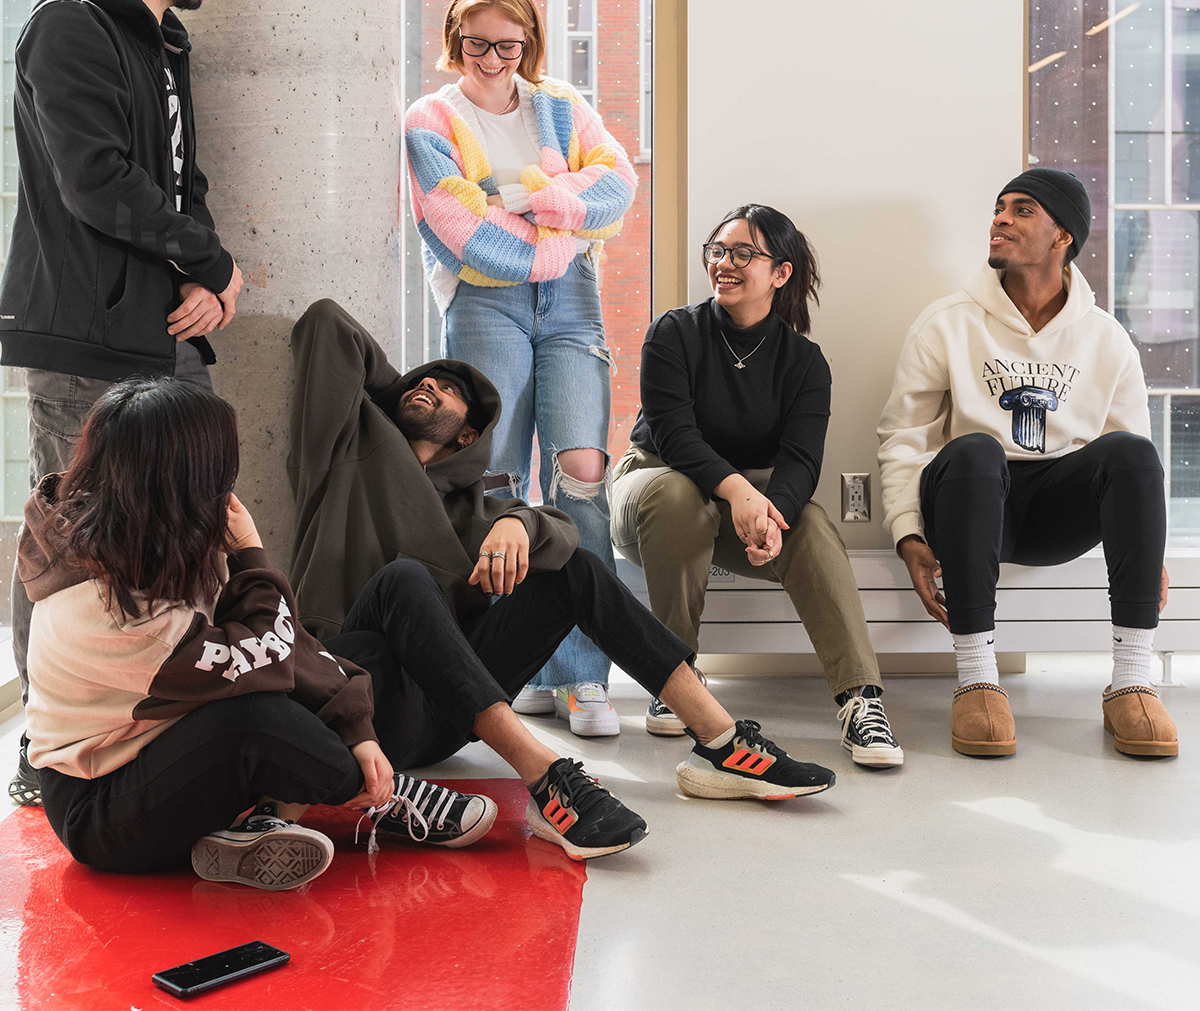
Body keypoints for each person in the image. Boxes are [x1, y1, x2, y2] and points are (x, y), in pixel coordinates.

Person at [288, 298, 838, 862]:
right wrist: (406, 388)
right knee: (404, 579)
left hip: (444, 716)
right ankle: (548, 779)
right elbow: (326, 322)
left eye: (448, 390)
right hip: (354, 691)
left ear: (467, 437)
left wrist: (517, 519)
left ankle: (721, 741)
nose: (429, 385)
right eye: (422, 381)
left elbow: (564, 535)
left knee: (572, 568)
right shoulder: (342, 453)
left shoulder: (477, 511)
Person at [23, 377, 498, 892]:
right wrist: (251, 553)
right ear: (178, 477)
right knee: (257, 718)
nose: (228, 482)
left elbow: (282, 645)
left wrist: (356, 725)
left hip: (167, 740)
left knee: (362, 656)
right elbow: (267, 655)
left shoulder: (142, 529)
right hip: (103, 809)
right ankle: (381, 792)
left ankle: (261, 824)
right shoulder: (107, 610)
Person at [0, 0, 246, 806]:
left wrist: (203, 273)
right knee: (68, 538)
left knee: (192, 515)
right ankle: (45, 743)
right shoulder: (71, 24)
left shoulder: (162, 38)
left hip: (164, 327)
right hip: (86, 333)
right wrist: (208, 259)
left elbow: (182, 176)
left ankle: (167, 718)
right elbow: (94, 180)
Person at [404, 0, 637, 737]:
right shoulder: (430, 120)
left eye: (509, 45)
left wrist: (538, 200)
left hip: (572, 301)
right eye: (478, 44)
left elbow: (618, 185)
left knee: (581, 472)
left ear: (530, 40)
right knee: (495, 475)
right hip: (484, 302)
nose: (495, 60)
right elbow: (454, 222)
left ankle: (581, 675)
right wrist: (558, 227)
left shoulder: (562, 107)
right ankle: (514, 659)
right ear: (455, 40)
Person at [877, 167, 1177, 758]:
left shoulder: (1106, 338)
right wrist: (908, 531)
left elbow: (1130, 456)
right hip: (969, 497)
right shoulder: (948, 322)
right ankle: (977, 679)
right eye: (998, 208)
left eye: (1021, 211)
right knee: (975, 449)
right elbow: (904, 436)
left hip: (1053, 512)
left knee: (1134, 453)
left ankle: (1132, 680)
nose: (1000, 220)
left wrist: (1152, 553)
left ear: (1063, 236)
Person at [610, 205, 904, 768]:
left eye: (743, 254)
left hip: (734, 505)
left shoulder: (806, 363)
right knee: (677, 494)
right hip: (651, 486)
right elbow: (674, 437)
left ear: (781, 273)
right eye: (717, 251)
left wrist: (775, 517)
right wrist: (740, 492)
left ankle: (860, 698)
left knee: (811, 522)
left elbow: (799, 462)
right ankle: (675, 680)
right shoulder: (673, 333)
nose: (724, 263)